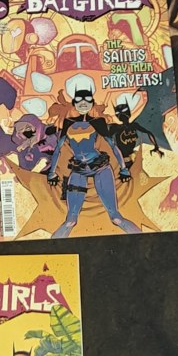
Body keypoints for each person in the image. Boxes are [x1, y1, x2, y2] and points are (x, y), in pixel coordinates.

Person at [47, 74, 138, 237]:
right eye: (79, 100)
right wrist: (52, 172)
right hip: (78, 170)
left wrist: (123, 168)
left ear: (92, 102)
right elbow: (58, 149)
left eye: (87, 100)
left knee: (116, 218)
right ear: (74, 102)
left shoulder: (98, 122)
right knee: (70, 220)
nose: (83, 103)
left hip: (100, 167)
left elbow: (113, 145)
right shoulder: (68, 123)